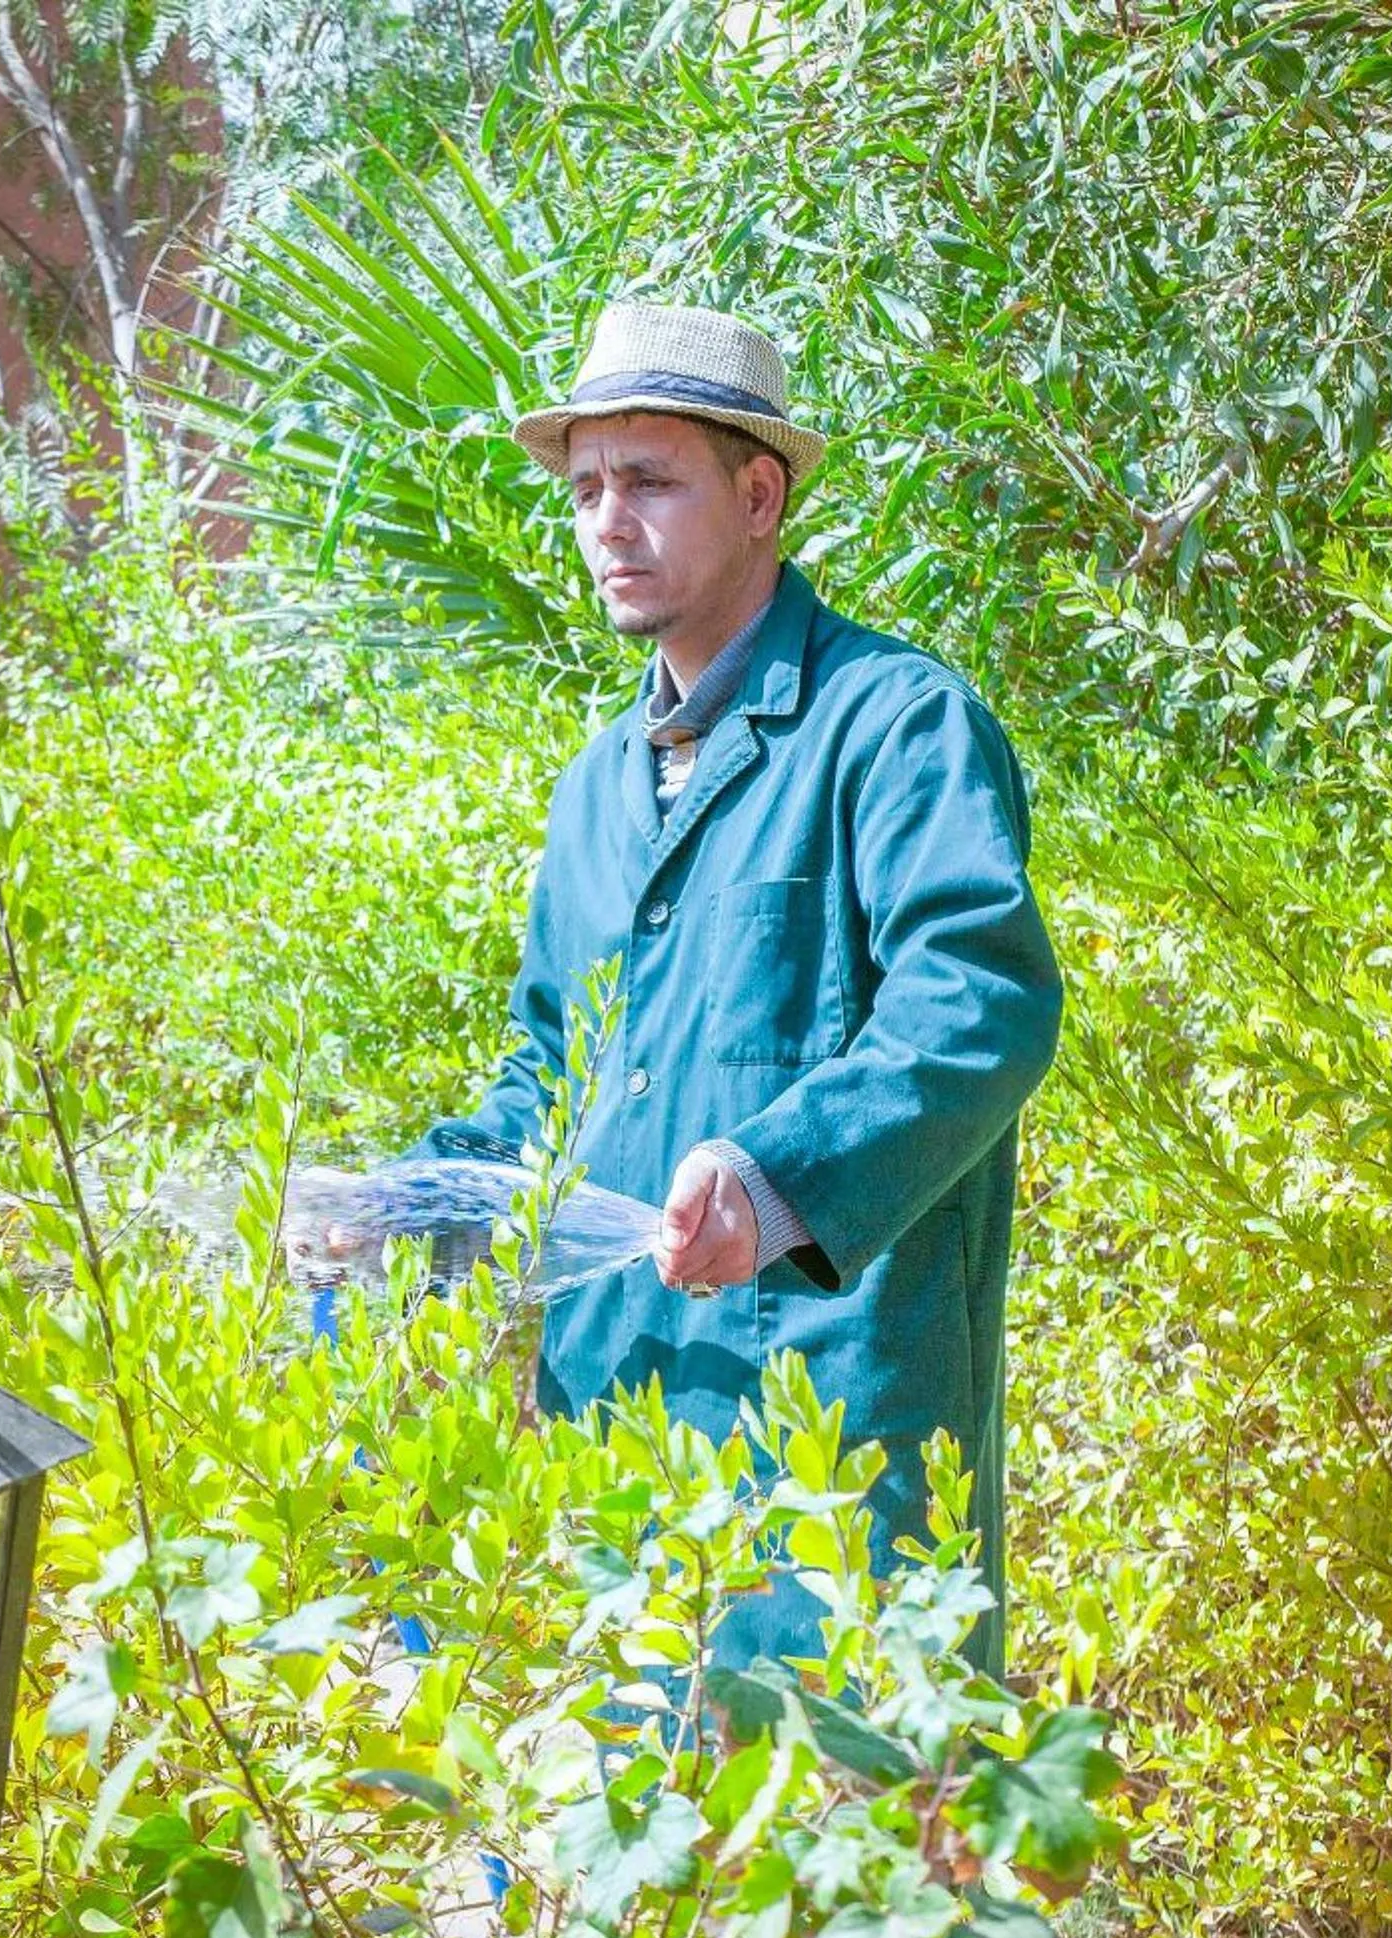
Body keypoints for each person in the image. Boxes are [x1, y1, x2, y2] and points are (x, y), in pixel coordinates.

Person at [404, 300, 1063, 1679]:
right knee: (629, 1846)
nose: (604, 521)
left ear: (759, 493)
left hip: (827, 1422)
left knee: (856, 1832)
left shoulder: (894, 724)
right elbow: (547, 1068)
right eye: (585, 488)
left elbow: (975, 1003)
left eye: (646, 480)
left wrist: (773, 1180)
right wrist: (418, 1205)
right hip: (614, 1425)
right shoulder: (593, 789)